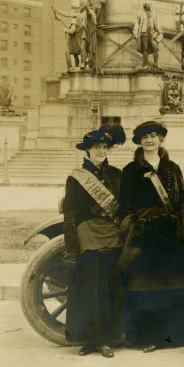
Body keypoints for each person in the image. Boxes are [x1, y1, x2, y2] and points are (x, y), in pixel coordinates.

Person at [118, 121, 184, 352]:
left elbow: (183, 198)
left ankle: (171, 338)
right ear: (139, 141)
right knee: (146, 287)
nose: (149, 141)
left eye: (153, 136)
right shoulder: (130, 170)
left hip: (170, 234)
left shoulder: (173, 168)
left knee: (171, 285)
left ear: (161, 139)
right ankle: (145, 338)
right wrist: (133, 225)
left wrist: (179, 217)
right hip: (144, 234)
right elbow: (125, 204)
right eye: (144, 137)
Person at [63, 130, 123, 358]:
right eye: (96, 147)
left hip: (113, 234)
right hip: (88, 235)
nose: (101, 151)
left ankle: (106, 339)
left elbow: (123, 209)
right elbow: (70, 214)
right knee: (91, 288)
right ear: (87, 150)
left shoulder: (117, 175)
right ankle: (91, 340)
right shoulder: (75, 178)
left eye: (105, 147)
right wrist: (71, 246)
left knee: (110, 287)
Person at [133, 0, 162, 69]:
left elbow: (157, 23)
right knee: (145, 48)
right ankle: (146, 64)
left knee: (156, 48)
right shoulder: (140, 13)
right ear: (145, 5)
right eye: (148, 4)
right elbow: (137, 23)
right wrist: (136, 33)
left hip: (152, 33)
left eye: (150, 4)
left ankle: (156, 63)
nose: (150, 6)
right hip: (143, 33)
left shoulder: (154, 13)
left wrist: (160, 31)